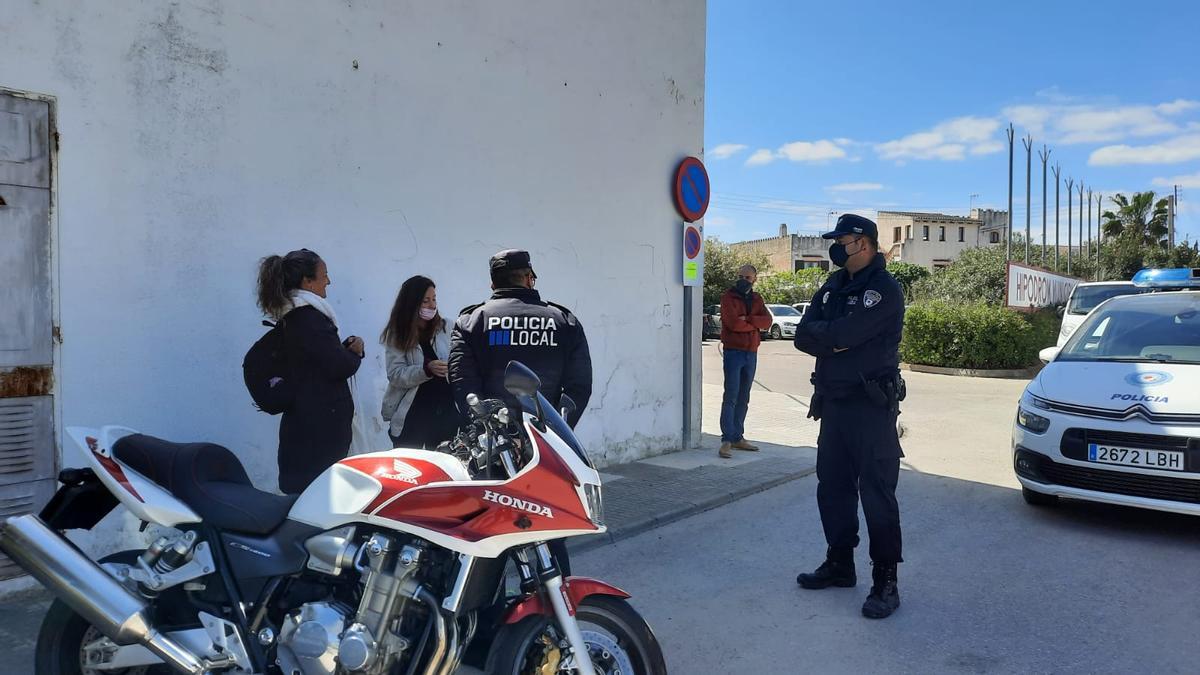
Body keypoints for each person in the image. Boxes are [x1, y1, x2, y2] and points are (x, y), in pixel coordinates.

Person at [448, 249, 592, 574]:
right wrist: (554, 433)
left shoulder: (473, 321)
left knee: (487, 543)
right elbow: (578, 389)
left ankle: (489, 618)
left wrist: (490, 435)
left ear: (492, 283)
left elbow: (462, 387)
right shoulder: (563, 320)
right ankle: (554, 615)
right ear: (529, 278)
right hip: (545, 451)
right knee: (549, 538)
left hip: (491, 456)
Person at [792, 214, 906, 619]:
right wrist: (831, 340)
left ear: (864, 243)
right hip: (833, 403)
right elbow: (803, 335)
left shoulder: (883, 290)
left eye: (843, 239)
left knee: (877, 493)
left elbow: (842, 336)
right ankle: (840, 563)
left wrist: (832, 338)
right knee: (833, 488)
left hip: (870, 407)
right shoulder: (833, 285)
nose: (836, 246)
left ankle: (885, 581)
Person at [256, 249, 364, 494]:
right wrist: (355, 352)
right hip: (319, 428)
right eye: (324, 275)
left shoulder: (294, 317)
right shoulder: (309, 319)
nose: (328, 281)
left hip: (305, 424)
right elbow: (337, 366)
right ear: (307, 282)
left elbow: (317, 360)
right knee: (320, 496)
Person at [380, 275, 457, 449]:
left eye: (434, 299)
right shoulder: (397, 333)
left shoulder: (447, 327)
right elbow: (395, 374)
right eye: (425, 301)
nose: (432, 305)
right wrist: (426, 370)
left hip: (445, 414)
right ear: (412, 304)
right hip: (412, 415)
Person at [717, 264, 773, 459]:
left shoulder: (757, 299)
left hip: (751, 352)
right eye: (740, 276)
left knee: (744, 396)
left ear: (754, 279)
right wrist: (753, 324)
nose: (743, 280)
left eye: (747, 277)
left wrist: (748, 319)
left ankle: (737, 437)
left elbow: (768, 322)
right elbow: (733, 323)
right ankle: (726, 439)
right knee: (731, 395)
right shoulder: (728, 297)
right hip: (733, 352)